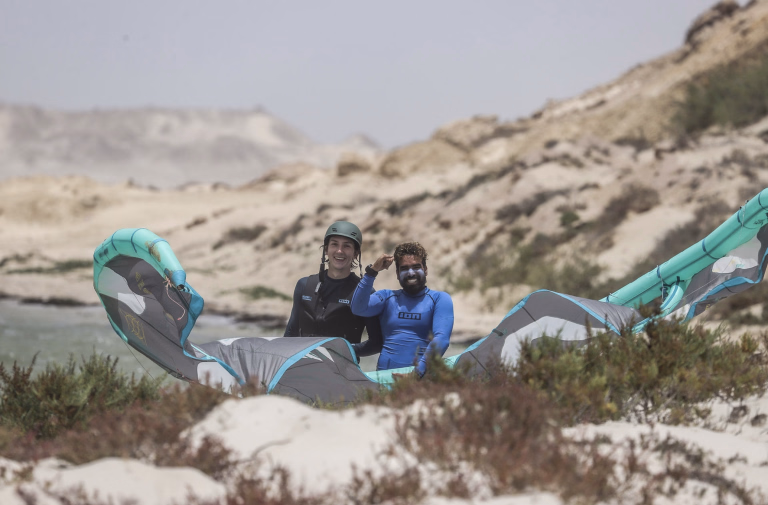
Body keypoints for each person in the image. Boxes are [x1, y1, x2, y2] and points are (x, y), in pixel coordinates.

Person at [350, 241, 454, 377]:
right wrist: (372, 272)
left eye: (416, 267)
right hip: (384, 378)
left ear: (426, 270)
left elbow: (441, 339)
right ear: (397, 274)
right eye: (404, 269)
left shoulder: (439, 299)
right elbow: (358, 308)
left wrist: (416, 375)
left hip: (421, 379)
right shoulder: (387, 297)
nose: (411, 273)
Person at [283, 221, 383, 347]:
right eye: (334, 244)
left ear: (356, 253)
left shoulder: (365, 292)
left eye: (347, 246)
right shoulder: (304, 285)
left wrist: (346, 352)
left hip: (341, 365)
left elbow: (376, 342)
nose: (339, 251)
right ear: (326, 249)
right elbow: (290, 333)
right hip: (303, 365)